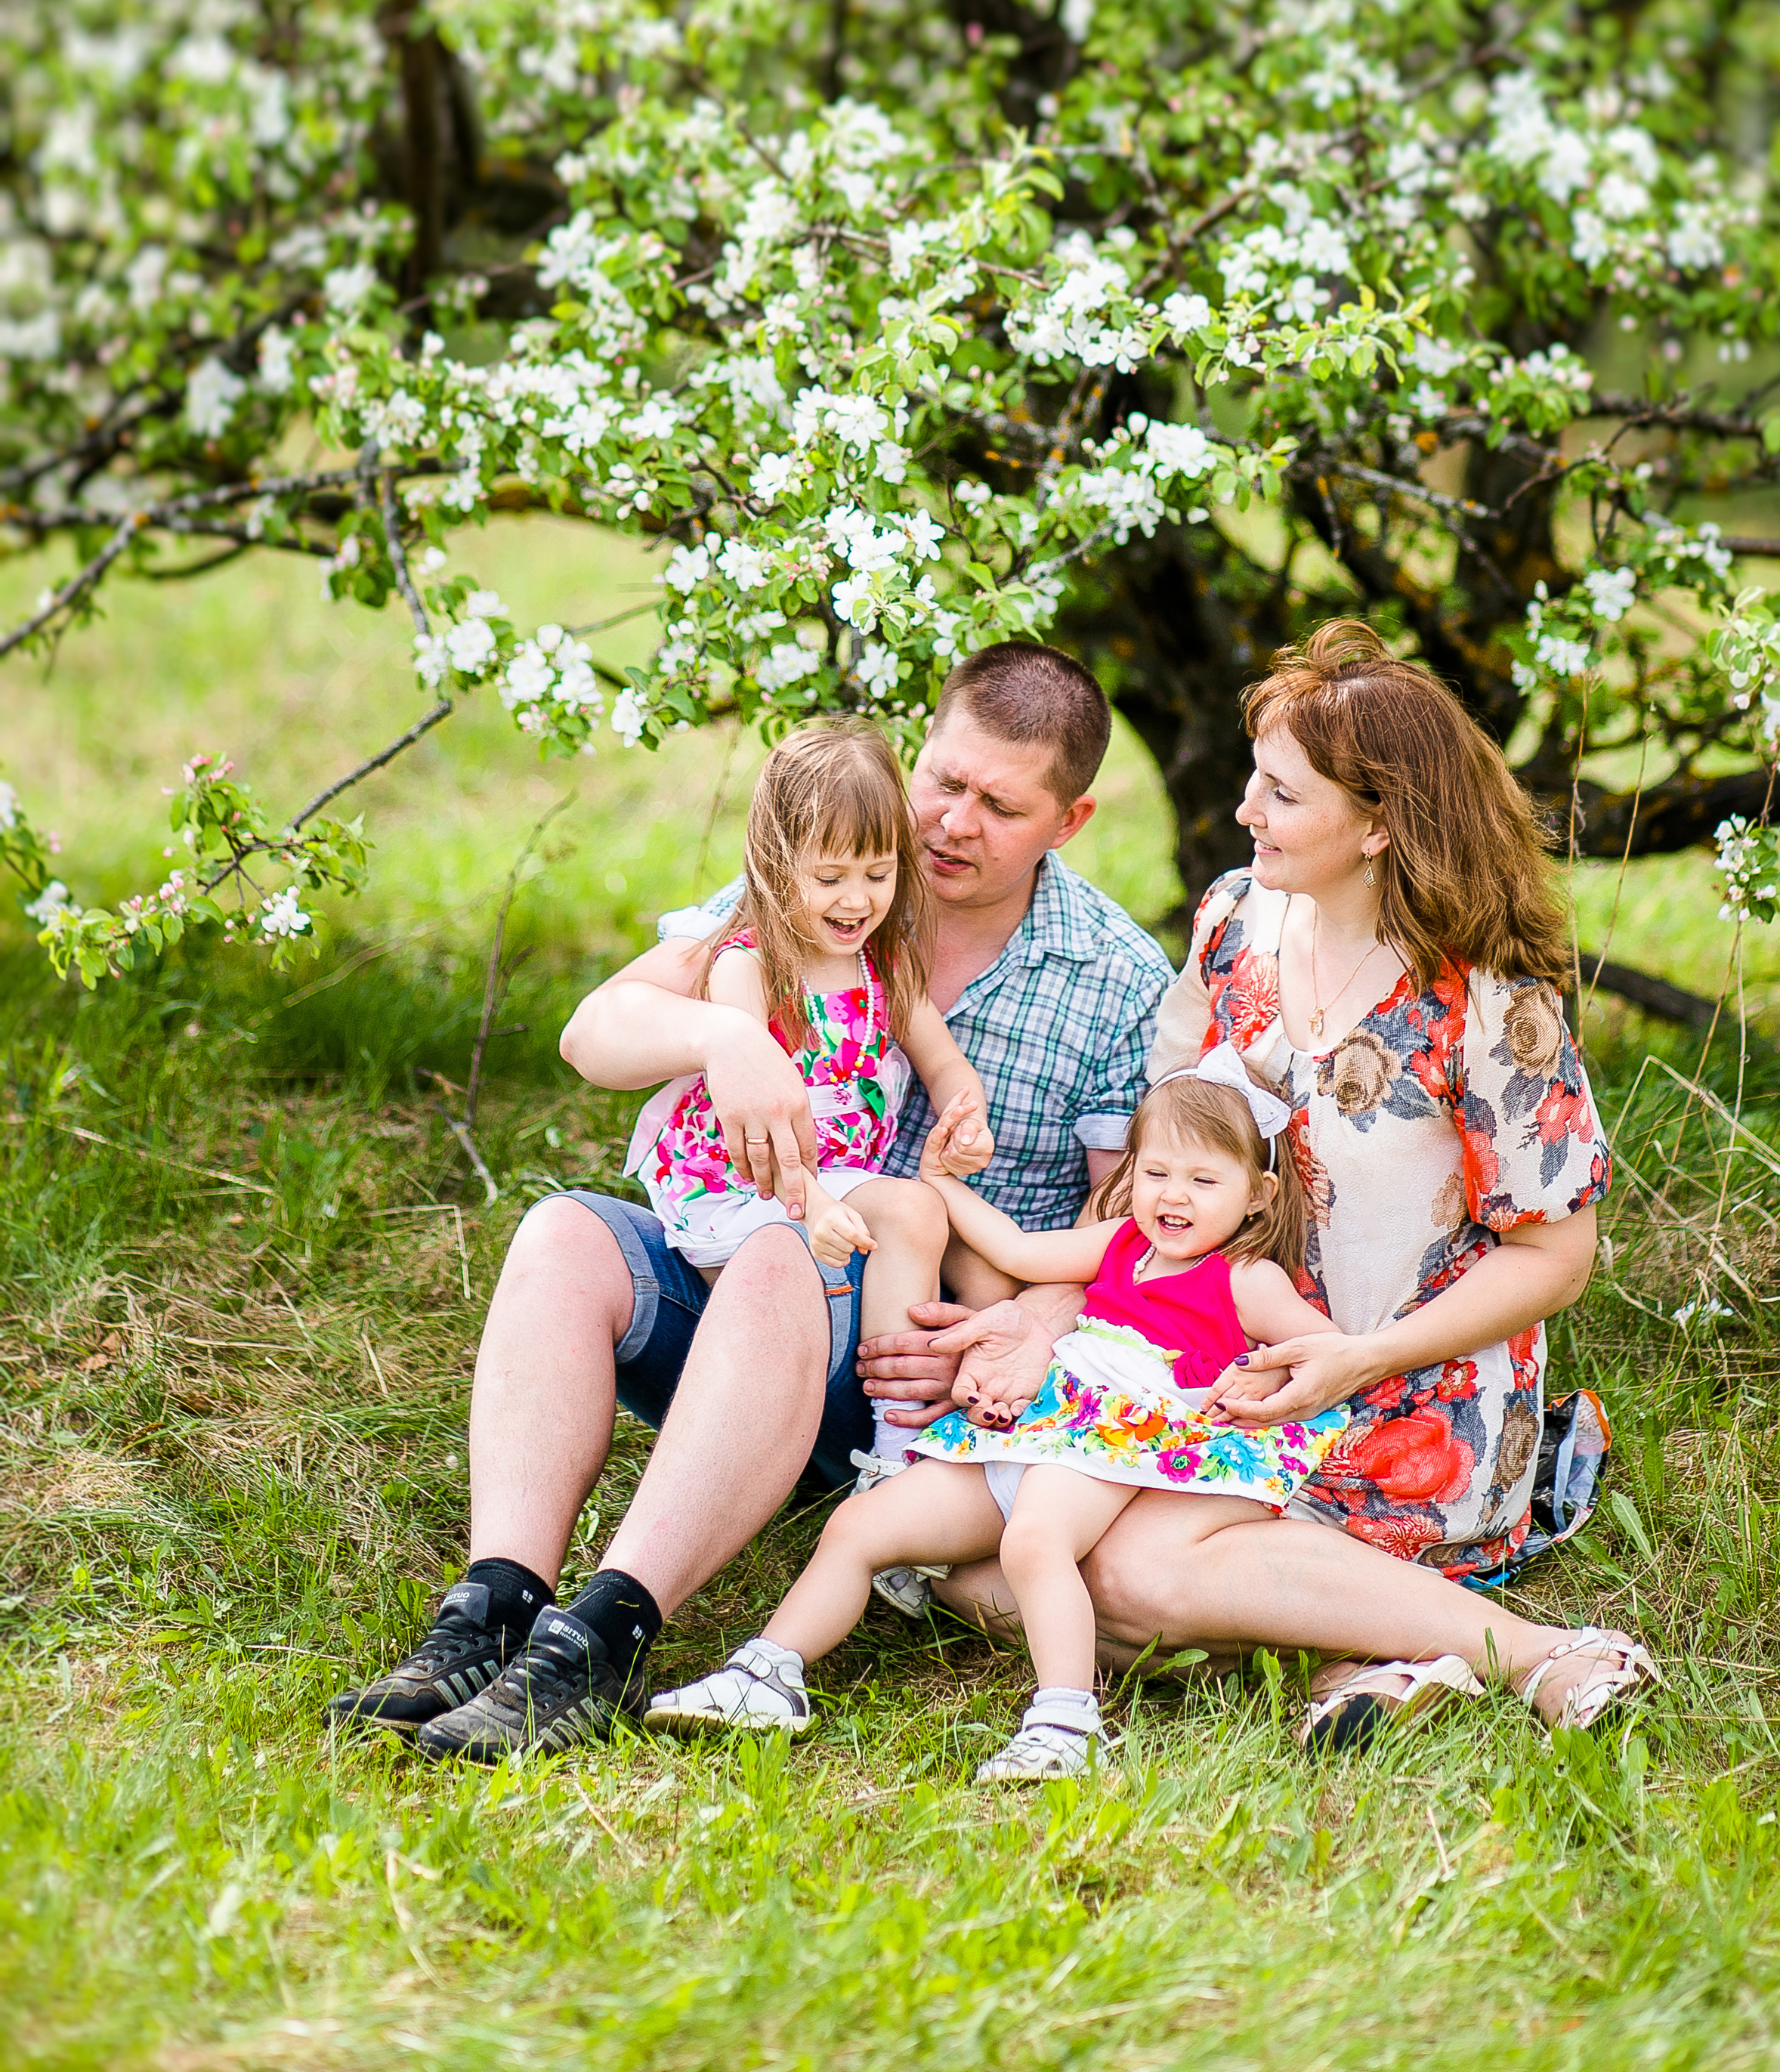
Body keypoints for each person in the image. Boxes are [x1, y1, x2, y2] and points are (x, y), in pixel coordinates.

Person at [325, 639, 1173, 1758]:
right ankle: (493, 1607)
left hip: (924, 1388)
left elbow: (1153, 1232)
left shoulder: (1115, 979)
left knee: (784, 1248)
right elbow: (594, 1033)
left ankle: (605, 1637)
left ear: (1070, 821)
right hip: (749, 1311)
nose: (952, 824)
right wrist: (723, 1032)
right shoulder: (824, 870)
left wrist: (1029, 1322)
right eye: (943, 780)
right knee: (565, 1234)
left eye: (999, 806)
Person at [924, 623, 1660, 1743]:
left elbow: (1556, 1257)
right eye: (1253, 783)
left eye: (1281, 795)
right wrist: (1044, 1317)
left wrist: (1361, 1357)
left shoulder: (1492, 1004)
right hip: (1214, 1361)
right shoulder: (1237, 923)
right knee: (966, 1568)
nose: (1244, 815)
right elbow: (1151, 1174)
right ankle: (1381, 1651)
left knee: (1118, 1574)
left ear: (1378, 824)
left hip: (1410, 1393)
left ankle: (1541, 1655)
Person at [647, 1065, 1351, 1783]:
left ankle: (1067, 1722)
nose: (1172, 1196)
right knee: (862, 1528)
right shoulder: (1120, 1245)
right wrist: (943, 1184)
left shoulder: (1243, 1279)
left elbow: (1331, 1351)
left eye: (1204, 1182)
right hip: (1038, 1418)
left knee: (1036, 1541)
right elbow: (1014, 1251)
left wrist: (1262, 1370)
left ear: (1258, 1197)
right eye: (1157, 1171)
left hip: (1117, 1439)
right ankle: (768, 1676)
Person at [628, 716, 994, 1497]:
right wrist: (810, 1202)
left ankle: (894, 1449)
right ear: (772, 862)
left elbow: (941, 1058)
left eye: (878, 872)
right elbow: (755, 1135)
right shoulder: (749, 965)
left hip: (831, 1177)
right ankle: (766, 1444)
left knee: (926, 1214)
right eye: (830, 877)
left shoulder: (885, 963)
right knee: (807, 1263)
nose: (857, 900)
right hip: (745, 1180)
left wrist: (966, 1113)